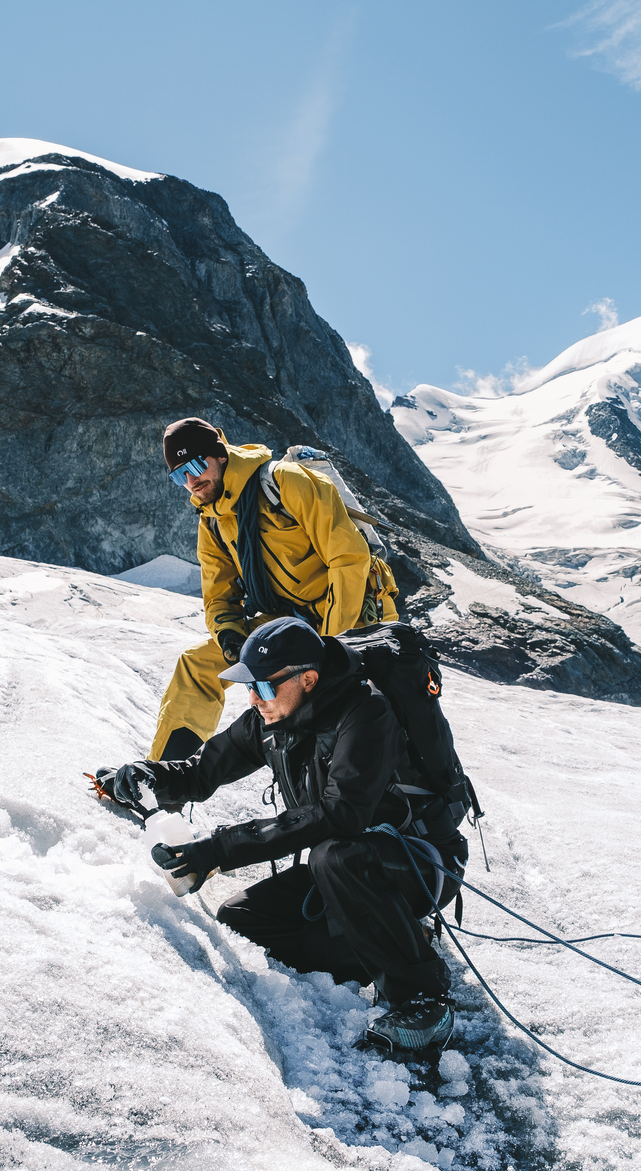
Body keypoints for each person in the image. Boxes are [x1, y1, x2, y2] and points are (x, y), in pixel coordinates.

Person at [98, 617, 458, 1051]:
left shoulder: (367, 713)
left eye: (264, 686)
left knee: (334, 854)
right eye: (249, 686)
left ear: (308, 679)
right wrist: (146, 776)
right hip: (343, 868)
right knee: (243, 920)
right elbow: (201, 772)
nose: (253, 698)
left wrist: (218, 851)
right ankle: (397, 941)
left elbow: (338, 815)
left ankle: (424, 1000)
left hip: (419, 861)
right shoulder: (269, 717)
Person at [149, 417, 397, 762]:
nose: (191, 481)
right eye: (179, 475)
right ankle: (164, 774)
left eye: (195, 465)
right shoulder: (212, 521)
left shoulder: (286, 482)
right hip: (289, 618)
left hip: (352, 609)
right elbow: (219, 595)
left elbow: (349, 559)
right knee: (197, 665)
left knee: (369, 705)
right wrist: (230, 635)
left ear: (220, 455)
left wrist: (329, 645)